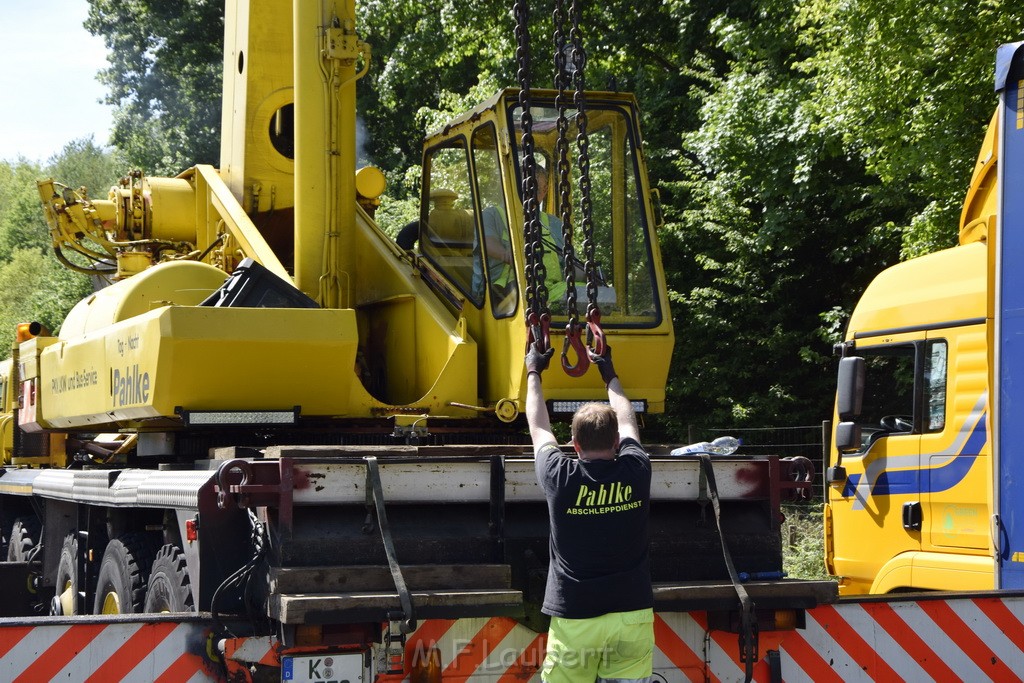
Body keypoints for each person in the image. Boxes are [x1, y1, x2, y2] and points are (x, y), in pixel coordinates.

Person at [524, 342, 654, 683]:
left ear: (575, 444)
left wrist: (533, 371)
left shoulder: (559, 475)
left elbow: (538, 428)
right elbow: (627, 420)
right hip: (632, 614)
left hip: (576, 616)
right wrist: (608, 371)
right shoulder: (636, 470)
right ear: (615, 444)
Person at [474, 165, 567, 304]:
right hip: (502, 294)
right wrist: (506, 255)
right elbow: (487, 243)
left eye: (534, 188)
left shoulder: (553, 224)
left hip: (551, 291)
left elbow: (569, 262)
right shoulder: (491, 215)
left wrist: (588, 274)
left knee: (589, 294)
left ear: (545, 190)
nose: (528, 193)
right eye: (524, 186)